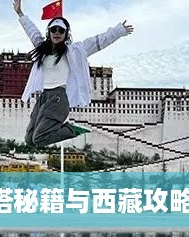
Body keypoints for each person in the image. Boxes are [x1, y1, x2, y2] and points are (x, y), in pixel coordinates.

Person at [14, 0, 134, 148]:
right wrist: (20, 13)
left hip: (58, 97)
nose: (57, 33)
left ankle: (72, 129)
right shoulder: (42, 48)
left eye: (61, 30)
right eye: (53, 29)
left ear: (66, 34)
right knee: (30, 140)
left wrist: (118, 31)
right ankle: (62, 128)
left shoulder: (74, 51)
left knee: (39, 138)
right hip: (44, 97)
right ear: (49, 32)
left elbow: (98, 42)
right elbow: (31, 31)